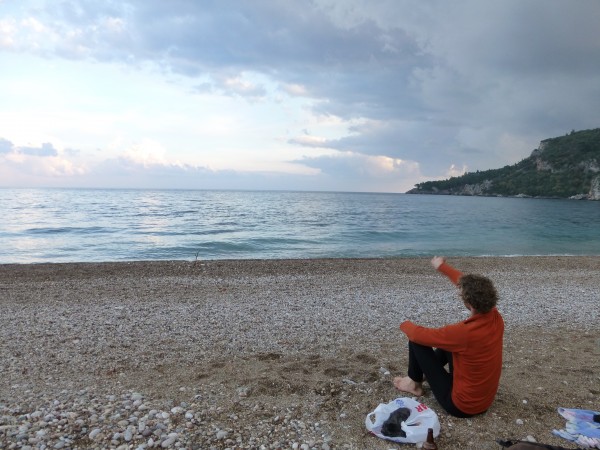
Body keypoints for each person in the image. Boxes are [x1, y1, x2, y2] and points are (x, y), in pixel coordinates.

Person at [393, 256, 504, 418]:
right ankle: (419, 377)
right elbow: (467, 285)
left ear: (468, 303)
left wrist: (403, 323)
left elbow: (417, 334)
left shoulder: (463, 333)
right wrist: (442, 267)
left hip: (461, 406)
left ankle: (413, 383)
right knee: (447, 345)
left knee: (416, 342)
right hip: (484, 401)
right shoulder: (495, 316)